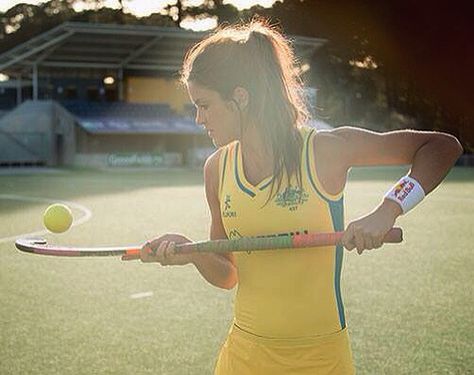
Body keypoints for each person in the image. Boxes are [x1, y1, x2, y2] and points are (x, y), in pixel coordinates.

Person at [139, 19, 463, 375]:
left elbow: (440, 147)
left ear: (240, 98)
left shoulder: (325, 151)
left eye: (204, 105)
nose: (199, 119)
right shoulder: (216, 169)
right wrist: (190, 251)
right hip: (244, 356)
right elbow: (229, 274)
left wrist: (388, 210)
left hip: (320, 359)